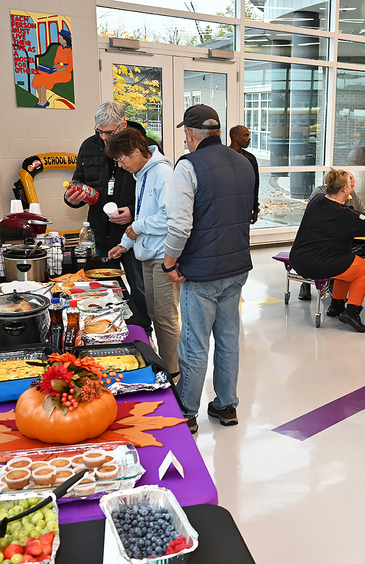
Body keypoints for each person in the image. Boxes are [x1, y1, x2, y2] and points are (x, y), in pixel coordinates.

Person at [163, 104, 256, 434]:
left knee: (194, 343)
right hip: (237, 266)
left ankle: (188, 412)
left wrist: (169, 262)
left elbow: (178, 227)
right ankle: (226, 404)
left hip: (200, 273)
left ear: (189, 134)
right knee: (229, 337)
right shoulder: (245, 163)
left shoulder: (188, 166)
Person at [65, 101, 152, 334]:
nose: (104, 137)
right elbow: (78, 182)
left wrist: (133, 212)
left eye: (110, 132)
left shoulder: (145, 146)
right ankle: (107, 331)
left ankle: (144, 332)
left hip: (134, 234)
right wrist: (72, 198)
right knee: (102, 290)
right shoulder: (88, 147)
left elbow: (154, 195)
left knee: (140, 288)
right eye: (99, 131)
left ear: (123, 125)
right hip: (99, 234)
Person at [104, 128, 179, 378]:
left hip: (163, 257)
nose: (120, 165)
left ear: (137, 152)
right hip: (148, 255)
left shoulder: (162, 173)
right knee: (154, 313)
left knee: (165, 318)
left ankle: (172, 373)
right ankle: (162, 364)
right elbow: (144, 215)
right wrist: (125, 243)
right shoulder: (142, 174)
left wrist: (136, 226)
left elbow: (169, 218)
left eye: (122, 159)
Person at [290, 168, 365, 333]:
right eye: (350, 183)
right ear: (345, 188)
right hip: (317, 263)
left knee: (347, 262)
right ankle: (352, 312)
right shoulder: (342, 214)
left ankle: (336, 306)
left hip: (299, 259)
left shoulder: (317, 201)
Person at [228, 125, 261, 225]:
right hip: (226, 208)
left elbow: (255, 186)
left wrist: (255, 209)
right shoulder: (223, 157)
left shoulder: (251, 159)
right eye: (246, 135)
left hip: (244, 208)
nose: (249, 138)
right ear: (235, 136)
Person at [32, 30, 72, 108]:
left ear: (65, 40)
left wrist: (58, 69)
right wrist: (54, 66)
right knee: (39, 74)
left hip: (64, 73)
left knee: (46, 78)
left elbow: (69, 67)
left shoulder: (70, 51)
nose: (59, 39)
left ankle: (43, 102)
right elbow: (56, 60)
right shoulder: (59, 48)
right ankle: (41, 101)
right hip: (56, 70)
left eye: (61, 38)